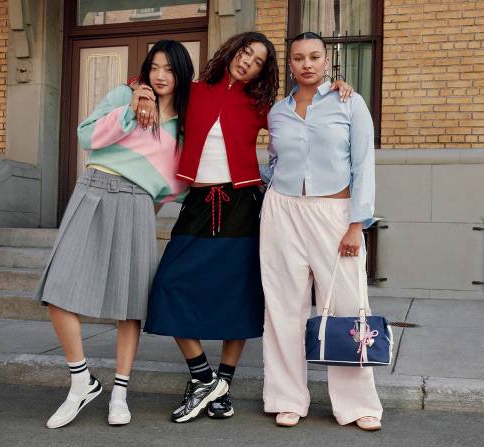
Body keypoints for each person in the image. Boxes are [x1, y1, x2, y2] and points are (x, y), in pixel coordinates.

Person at [139, 32, 353, 424]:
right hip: (198, 205)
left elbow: (302, 111)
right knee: (168, 285)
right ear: (231, 52)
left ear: (262, 72)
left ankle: (223, 383)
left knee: (237, 295)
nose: (247, 63)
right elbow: (155, 84)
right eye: (245, 53)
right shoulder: (194, 91)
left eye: (257, 62)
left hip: (241, 204)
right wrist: (140, 93)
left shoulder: (262, 106)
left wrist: (336, 87)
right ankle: (205, 379)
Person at [35, 40, 193, 429]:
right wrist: (130, 111)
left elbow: (176, 185)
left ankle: (120, 392)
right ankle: (81, 382)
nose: (160, 76)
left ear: (182, 74)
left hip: (138, 202)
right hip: (93, 189)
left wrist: (147, 206)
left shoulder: (183, 127)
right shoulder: (124, 95)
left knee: (130, 304)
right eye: (155, 67)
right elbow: (86, 136)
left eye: (169, 69)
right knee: (57, 289)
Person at [259, 32, 382, 431]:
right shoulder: (278, 112)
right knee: (283, 308)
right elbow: (275, 162)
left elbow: (363, 166)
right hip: (282, 212)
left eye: (314, 56)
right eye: (299, 58)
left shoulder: (350, 102)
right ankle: (286, 398)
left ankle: (357, 405)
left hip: (335, 214)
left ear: (326, 61)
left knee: (347, 307)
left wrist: (356, 224)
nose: (307, 64)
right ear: (290, 64)